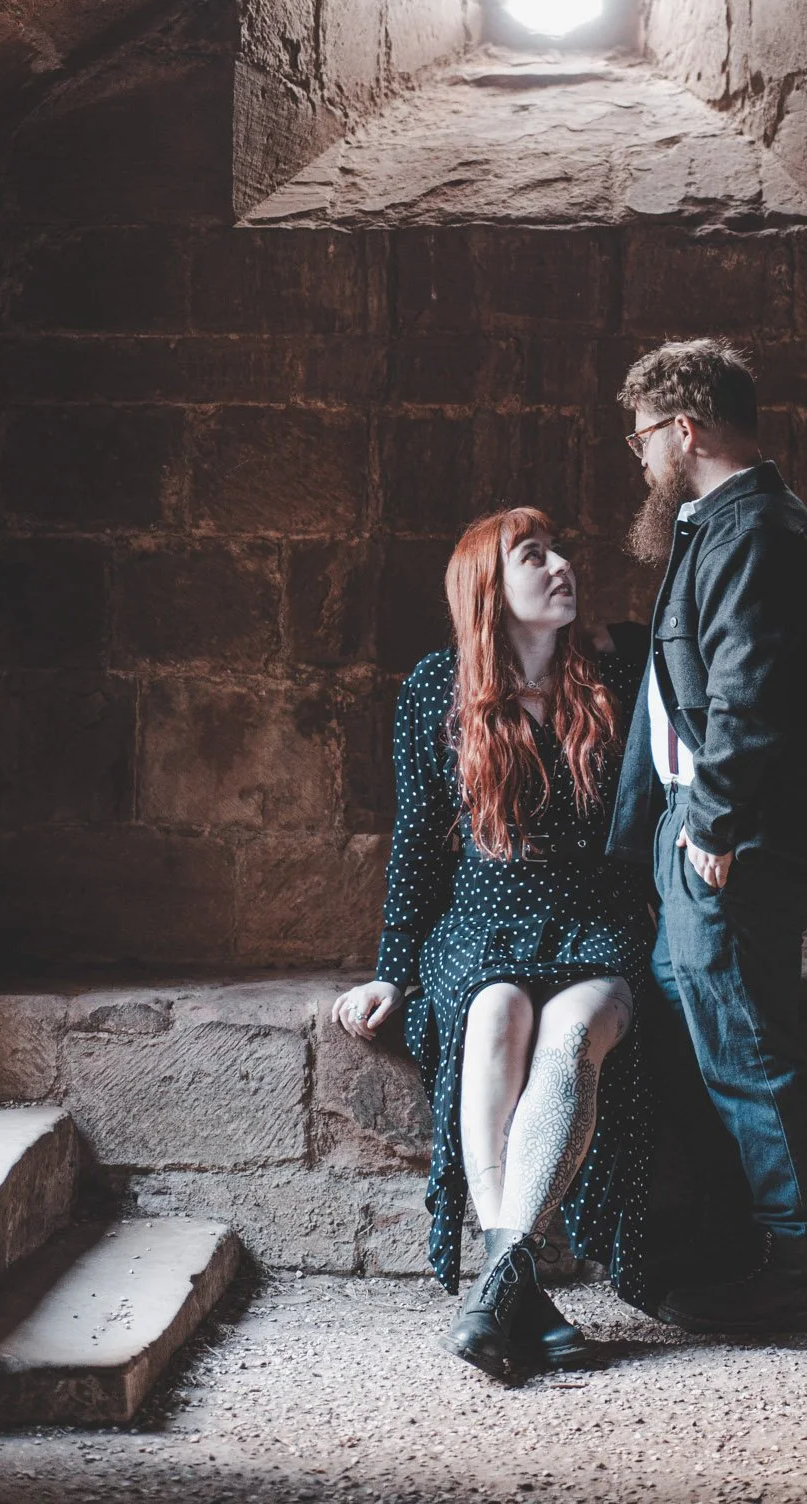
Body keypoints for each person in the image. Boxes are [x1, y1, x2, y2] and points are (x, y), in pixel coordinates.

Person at [334, 508, 652, 1382]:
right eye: (533, 555)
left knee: (575, 1027)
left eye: (560, 549)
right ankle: (517, 1289)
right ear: (488, 586)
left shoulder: (615, 674)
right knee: (497, 1011)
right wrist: (392, 972)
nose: (560, 565)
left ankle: (498, 1281)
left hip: (596, 919)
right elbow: (415, 841)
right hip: (479, 920)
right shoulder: (436, 689)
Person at [608, 338, 807, 1335]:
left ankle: (795, 1266)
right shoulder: (721, 525)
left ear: (687, 427)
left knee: (746, 1044)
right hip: (698, 836)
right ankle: (735, 1241)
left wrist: (709, 820)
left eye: (643, 438)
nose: (641, 459)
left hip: (728, 842)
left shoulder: (754, 529)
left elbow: (750, 692)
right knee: (690, 1020)